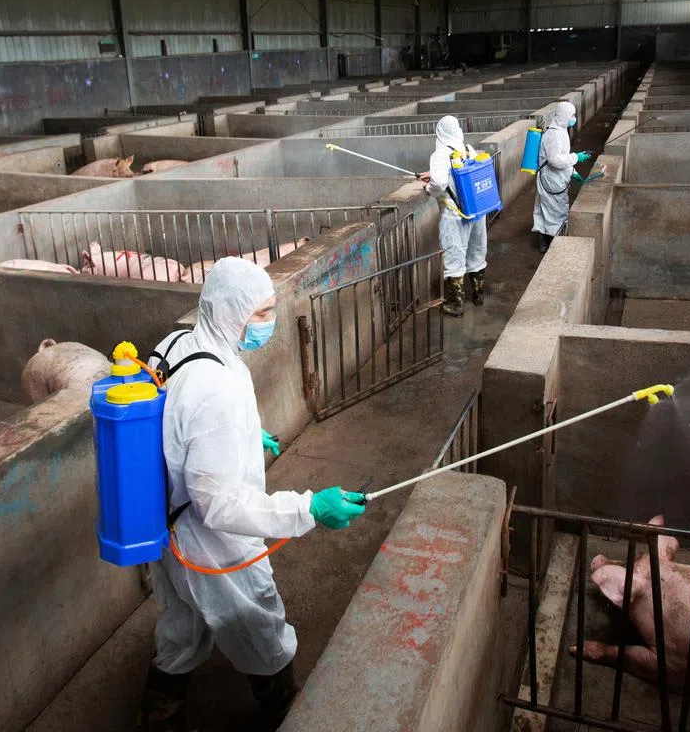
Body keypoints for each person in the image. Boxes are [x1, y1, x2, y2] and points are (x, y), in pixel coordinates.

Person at [138, 257, 366, 732]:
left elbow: (175, 421)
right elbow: (219, 505)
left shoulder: (179, 343)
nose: (271, 322)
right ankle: (285, 711)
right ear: (228, 311)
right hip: (211, 545)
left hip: (166, 527)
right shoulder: (216, 387)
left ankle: (159, 716)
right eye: (260, 313)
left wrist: (246, 434)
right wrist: (307, 508)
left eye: (270, 310)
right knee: (262, 629)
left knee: (182, 627)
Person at [419, 115, 487, 317]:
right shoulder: (468, 149)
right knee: (476, 251)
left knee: (454, 255)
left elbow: (440, 183)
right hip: (475, 211)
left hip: (454, 214)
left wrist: (428, 188)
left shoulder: (440, 154)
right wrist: (435, 173)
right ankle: (478, 295)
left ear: (440, 132)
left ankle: (456, 304)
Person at [532, 101, 592, 254]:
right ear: (564, 115)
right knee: (555, 210)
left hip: (557, 178)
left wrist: (573, 172)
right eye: (572, 115)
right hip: (551, 179)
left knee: (552, 210)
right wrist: (576, 157)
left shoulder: (561, 130)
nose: (574, 118)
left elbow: (563, 158)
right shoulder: (554, 134)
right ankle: (550, 241)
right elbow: (555, 160)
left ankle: (549, 239)